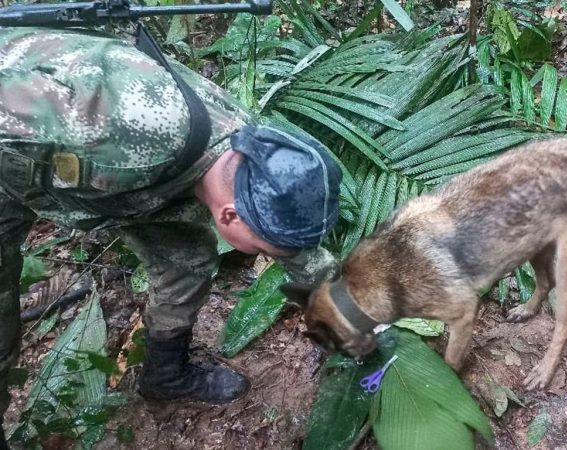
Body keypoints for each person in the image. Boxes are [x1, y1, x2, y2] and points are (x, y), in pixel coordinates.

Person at [0, 26, 341, 448]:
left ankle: (164, 374)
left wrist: (345, 311)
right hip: (16, 145)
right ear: (231, 215)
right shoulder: (117, 140)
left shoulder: (249, 152)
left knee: (188, 259)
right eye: (263, 251)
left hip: (112, 173)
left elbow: (296, 246)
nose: (268, 256)